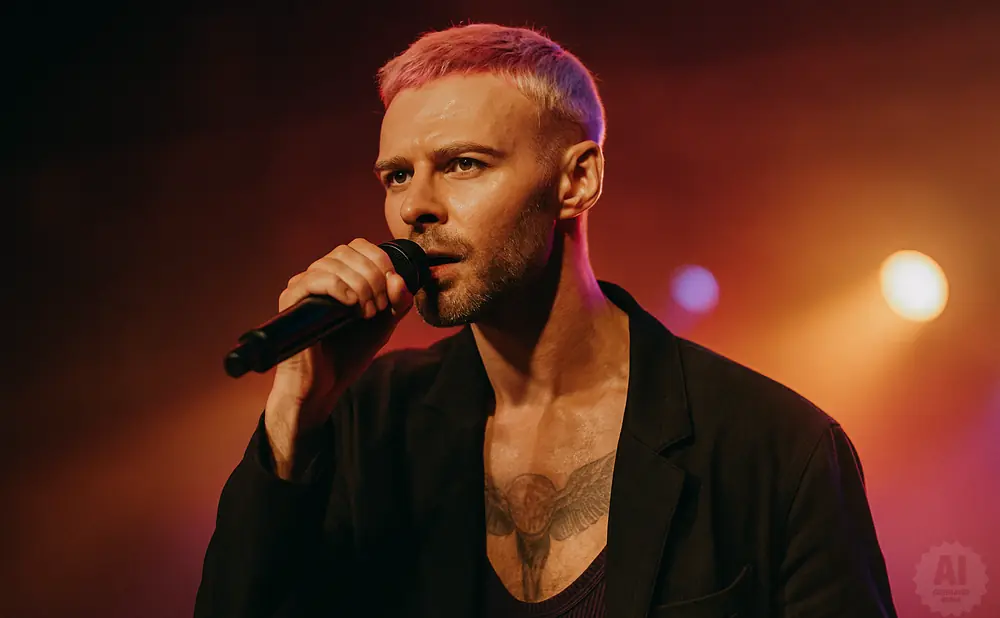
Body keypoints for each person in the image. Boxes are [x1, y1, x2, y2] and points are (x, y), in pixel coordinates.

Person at [195, 23, 898, 618]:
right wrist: (295, 412)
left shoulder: (774, 447)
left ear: (577, 180)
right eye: (397, 176)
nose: (416, 208)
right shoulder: (362, 424)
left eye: (463, 164)